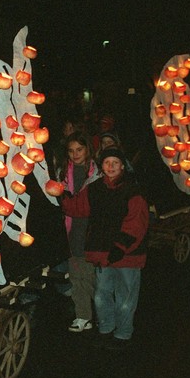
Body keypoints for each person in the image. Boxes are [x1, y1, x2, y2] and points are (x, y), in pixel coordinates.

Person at [62, 147, 149, 350]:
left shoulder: (133, 191)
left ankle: (123, 333)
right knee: (102, 295)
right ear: (102, 166)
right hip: (102, 254)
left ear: (122, 166)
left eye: (115, 163)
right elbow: (78, 207)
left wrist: (120, 247)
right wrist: (62, 196)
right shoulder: (95, 189)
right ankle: (106, 328)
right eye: (107, 162)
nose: (111, 166)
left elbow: (136, 224)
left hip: (126, 255)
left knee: (125, 297)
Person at [57, 132, 100, 332]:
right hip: (73, 230)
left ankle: (96, 312)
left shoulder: (97, 174)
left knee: (89, 276)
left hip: (90, 232)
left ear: (87, 150)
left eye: (79, 150)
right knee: (77, 275)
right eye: (71, 151)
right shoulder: (64, 173)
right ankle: (83, 316)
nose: (75, 154)